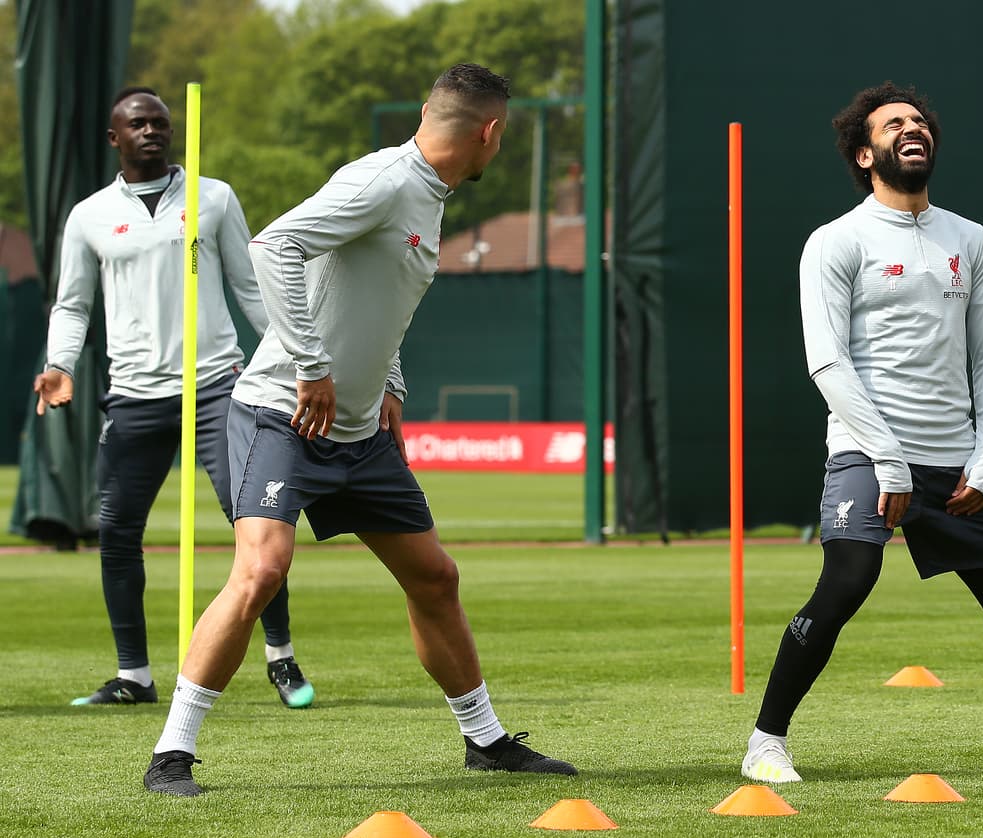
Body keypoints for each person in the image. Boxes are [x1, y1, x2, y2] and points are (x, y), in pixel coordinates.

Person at [142, 63, 577, 797]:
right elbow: (272, 246)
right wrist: (311, 365)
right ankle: (171, 754)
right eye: (502, 138)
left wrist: (391, 383)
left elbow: (374, 302)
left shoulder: (428, 197)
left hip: (361, 433)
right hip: (282, 412)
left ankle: (486, 739)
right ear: (490, 133)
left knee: (435, 578)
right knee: (261, 570)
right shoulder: (380, 181)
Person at [739, 82, 983, 783]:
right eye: (895, 122)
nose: (914, 128)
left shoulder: (971, 239)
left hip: (957, 460)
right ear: (865, 151)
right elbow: (827, 360)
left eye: (921, 121)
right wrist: (889, 460)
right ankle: (765, 742)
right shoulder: (835, 241)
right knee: (848, 578)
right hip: (870, 454)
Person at [34, 87, 314, 710]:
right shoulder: (90, 215)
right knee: (116, 530)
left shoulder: (213, 198)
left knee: (256, 523)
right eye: (138, 124)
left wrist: (295, 361)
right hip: (134, 395)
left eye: (160, 123)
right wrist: (59, 364)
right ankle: (133, 675)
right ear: (116, 138)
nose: (151, 132)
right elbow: (74, 303)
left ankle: (281, 657)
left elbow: (249, 286)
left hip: (217, 387)